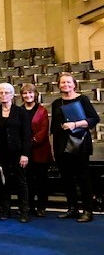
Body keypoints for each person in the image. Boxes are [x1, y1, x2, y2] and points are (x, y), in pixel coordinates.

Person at [51, 73, 99, 223]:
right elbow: (54, 127)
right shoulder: (56, 103)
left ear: (74, 84)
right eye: (62, 83)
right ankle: (72, 208)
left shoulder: (82, 99)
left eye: (68, 82)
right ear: (59, 85)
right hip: (61, 144)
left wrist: (75, 124)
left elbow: (94, 119)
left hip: (79, 143)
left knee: (82, 178)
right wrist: (53, 148)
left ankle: (88, 210)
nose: (65, 85)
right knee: (66, 179)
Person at [0, 83, 31, 223]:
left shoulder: (21, 112)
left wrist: (25, 154)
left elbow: (26, 135)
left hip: (18, 153)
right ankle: (6, 209)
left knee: (21, 182)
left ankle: (24, 211)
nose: (4, 95)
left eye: (7, 92)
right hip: (1, 154)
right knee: (3, 183)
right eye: (1, 93)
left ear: (12, 95)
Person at [20, 83, 53, 217]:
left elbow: (43, 132)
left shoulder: (42, 110)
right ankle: (29, 206)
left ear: (35, 94)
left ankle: (41, 206)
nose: (28, 95)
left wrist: (28, 143)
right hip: (24, 153)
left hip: (40, 150)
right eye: (25, 93)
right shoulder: (18, 110)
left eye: (30, 93)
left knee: (41, 180)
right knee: (27, 181)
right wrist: (24, 148)